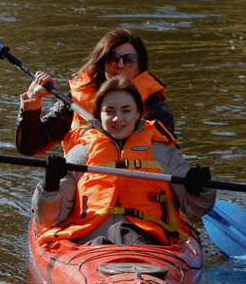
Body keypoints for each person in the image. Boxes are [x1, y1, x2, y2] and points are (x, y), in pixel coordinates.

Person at [33, 81, 217, 246]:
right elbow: (49, 219)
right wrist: (50, 186)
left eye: (126, 111)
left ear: (138, 113)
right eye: (109, 111)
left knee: (124, 233)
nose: (117, 119)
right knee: (107, 238)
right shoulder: (79, 154)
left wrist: (200, 189)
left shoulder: (163, 153)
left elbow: (194, 209)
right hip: (90, 242)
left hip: (149, 241)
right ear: (98, 114)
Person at [15, 28, 176, 156]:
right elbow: (29, 146)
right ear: (102, 63)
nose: (120, 65)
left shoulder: (153, 106)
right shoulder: (74, 101)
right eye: (112, 58)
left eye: (129, 60)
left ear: (139, 67)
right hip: (84, 186)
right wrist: (33, 99)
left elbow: (169, 156)